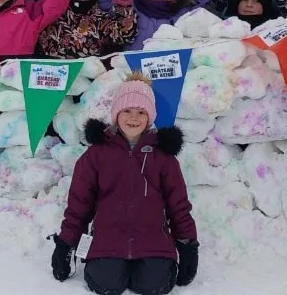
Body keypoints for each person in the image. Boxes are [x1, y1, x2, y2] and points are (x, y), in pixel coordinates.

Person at [50, 72, 199, 294]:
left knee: (154, 285)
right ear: (116, 113)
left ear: (150, 116)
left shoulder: (162, 156)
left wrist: (188, 246)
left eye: (141, 112)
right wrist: (66, 243)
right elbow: (79, 204)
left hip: (153, 240)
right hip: (108, 239)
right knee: (106, 284)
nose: (133, 118)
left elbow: (178, 206)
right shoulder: (97, 154)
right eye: (127, 110)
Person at [37, 0, 137, 58]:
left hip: (87, 70)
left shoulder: (100, 19)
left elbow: (125, 34)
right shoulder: (54, 14)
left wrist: (123, 3)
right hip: (49, 70)